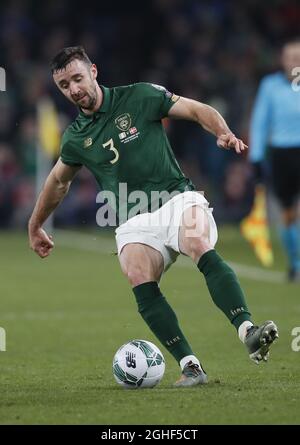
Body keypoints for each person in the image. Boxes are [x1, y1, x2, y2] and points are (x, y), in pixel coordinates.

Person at [28, 46, 278, 387]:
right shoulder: (75, 138)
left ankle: (248, 330)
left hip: (176, 198)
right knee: (136, 274)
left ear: (93, 72)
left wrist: (221, 131)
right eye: (63, 85)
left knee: (195, 240)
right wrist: (35, 223)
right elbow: (58, 181)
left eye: (77, 78)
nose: (73, 89)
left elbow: (195, 109)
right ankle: (191, 366)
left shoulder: (141, 96)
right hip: (133, 221)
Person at [249, 39, 300, 281]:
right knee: (288, 212)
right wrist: (256, 157)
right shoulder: (270, 86)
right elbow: (260, 122)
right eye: (291, 57)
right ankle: (295, 262)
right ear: (282, 60)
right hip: (282, 155)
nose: (295, 61)